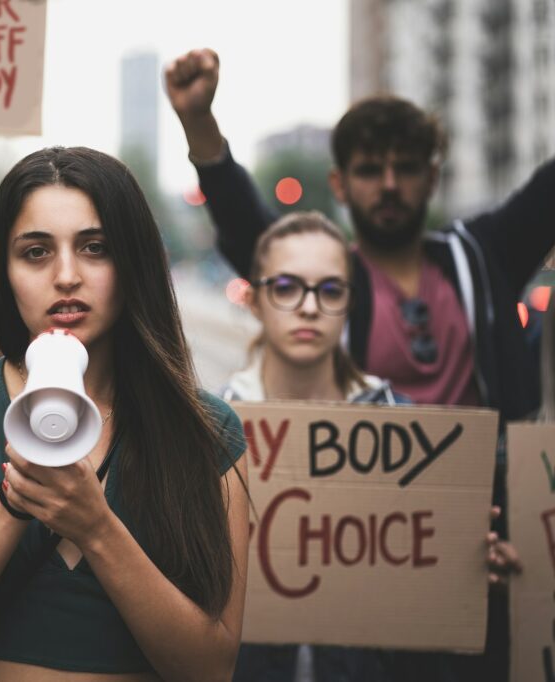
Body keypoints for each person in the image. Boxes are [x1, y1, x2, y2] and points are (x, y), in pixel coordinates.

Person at [166, 47, 546, 681]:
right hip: (355, 553)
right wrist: (200, 125)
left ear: (433, 176)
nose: (390, 184)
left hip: (476, 545)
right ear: (340, 184)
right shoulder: (328, 271)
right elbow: (249, 231)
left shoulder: (482, 259)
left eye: (406, 167)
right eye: (371, 169)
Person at [0, 146, 250, 681]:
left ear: (134, 263)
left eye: (95, 248)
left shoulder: (207, 433)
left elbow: (211, 670)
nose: (66, 276)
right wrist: (15, 501)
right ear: (0, 273)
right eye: (35, 252)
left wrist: (96, 527)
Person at [219, 211, 403, 682]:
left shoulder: (403, 427)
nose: (308, 307)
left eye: (330, 290)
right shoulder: (211, 430)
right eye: (285, 287)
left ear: (349, 302)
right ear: (255, 299)